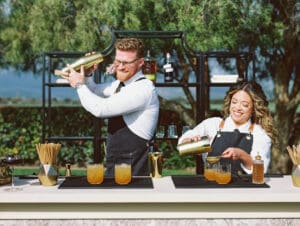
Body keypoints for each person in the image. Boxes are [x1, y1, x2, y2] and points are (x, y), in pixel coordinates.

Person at [66, 38, 159, 176]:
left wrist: (79, 85)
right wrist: (88, 74)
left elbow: (100, 109)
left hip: (133, 170)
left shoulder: (143, 89)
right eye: (117, 61)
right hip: (117, 164)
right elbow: (94, 91)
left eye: (126, 62)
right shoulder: (120, 85)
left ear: (140, 63)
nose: (120, 67)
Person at [178, 81, 275, 174]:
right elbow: (182, 147)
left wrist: (241, 154)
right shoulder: (213, 125)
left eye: (245, 105)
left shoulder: (259, 133)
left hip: (244, 188)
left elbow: (260, 170)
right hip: (212, 187)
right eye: (234, 102)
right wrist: (191, 142)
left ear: (254, 109)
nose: (237, 108)